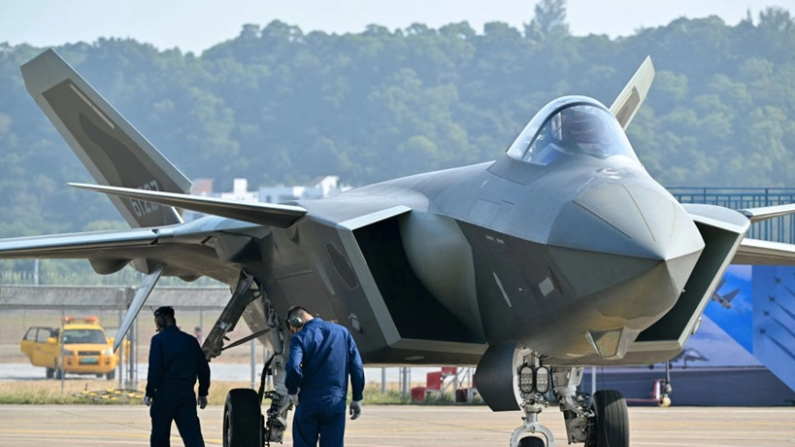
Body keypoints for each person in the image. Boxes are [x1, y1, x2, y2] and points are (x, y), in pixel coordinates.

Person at [284, 306, 365, 447]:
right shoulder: (343, 333)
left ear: (295, 321)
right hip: (335, 402)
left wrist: (292, 390)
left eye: (293, 329)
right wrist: (357, 397)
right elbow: (357, 367)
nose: (295, 332)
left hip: (308, 401)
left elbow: (293, 367)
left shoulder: (300, 337)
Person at [145, 306, 211, 447]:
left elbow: (155, 369)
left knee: (160, 438)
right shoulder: (190, 341)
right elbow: (203, 369)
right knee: (193, 437)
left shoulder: (158, 340)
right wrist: (203, 392)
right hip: (186, 394)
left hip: (164, 395)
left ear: (161, 321)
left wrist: (149, 392)